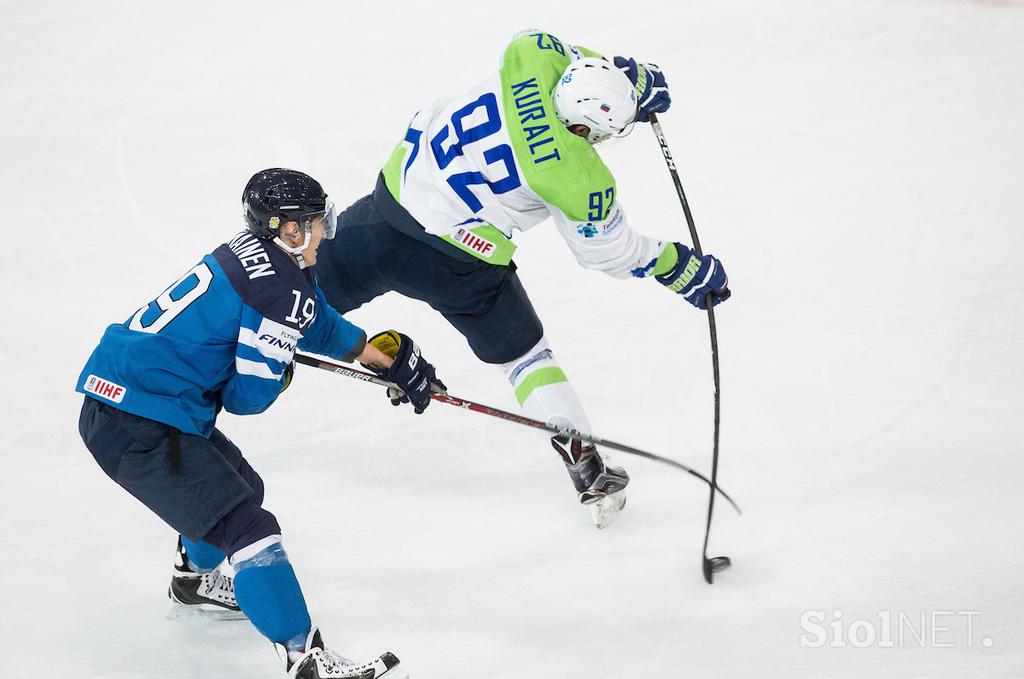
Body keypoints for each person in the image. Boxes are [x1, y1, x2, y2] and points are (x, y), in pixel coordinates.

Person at [314, 30, 731, 528]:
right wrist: (678, 267)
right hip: (456, 264)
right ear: (584, 130)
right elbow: (608, 253)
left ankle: (224, 341)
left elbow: (576, 60)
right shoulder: (578, 176)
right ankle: (585, 463)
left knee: (292, 296)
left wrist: (626, 79)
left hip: (385, 217)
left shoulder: (531, 54)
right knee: (525, 358)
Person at [75, 168, 441, 678]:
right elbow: (247, 398)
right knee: (250, 530)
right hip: (138, 420)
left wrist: (369, 352)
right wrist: (280, 368)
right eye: (315, 222)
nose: (324, 231)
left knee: (243, 488)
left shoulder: (256, 253)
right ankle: (303, 658)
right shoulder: (278, 288)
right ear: (289, 229)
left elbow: (306, 314)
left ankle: (194, 578)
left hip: (140, 398)